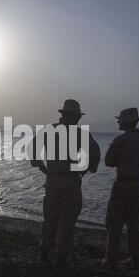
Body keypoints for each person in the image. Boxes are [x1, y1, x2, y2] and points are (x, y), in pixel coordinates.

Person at [31, 99, 101, 267]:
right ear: (76, 117)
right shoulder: (81, 134)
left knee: (50, 218)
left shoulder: (48, 130)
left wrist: (44, 168)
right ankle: (61, 256)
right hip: (71, 180)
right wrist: (86, 169)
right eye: (78, 117)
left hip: (53, 180)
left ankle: (44, 252)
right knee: (68, 220)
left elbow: (33, 152)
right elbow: (95, 155)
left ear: (63, 114)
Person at [103, 108, 139, 270]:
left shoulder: (120, 140)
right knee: (135, 222)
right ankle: (135, 258)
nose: (118, 122)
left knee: (114, 222)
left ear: (125, 122)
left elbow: (108, 162)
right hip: (138, 185)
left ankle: (111, 260)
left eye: (119, 120)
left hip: (122, 184)